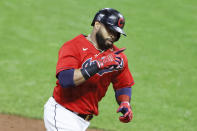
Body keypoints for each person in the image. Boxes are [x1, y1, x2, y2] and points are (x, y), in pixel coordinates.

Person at [44, 8, 135, 131]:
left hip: (82, 121)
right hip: (62, 113)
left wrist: (125, 102)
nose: (113, 35)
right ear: (97, 25)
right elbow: (66, 80)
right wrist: (98, 64)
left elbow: (123, 85)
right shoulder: (73, 46)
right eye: (110, 30)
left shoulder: (118, 57)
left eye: (117, 32)